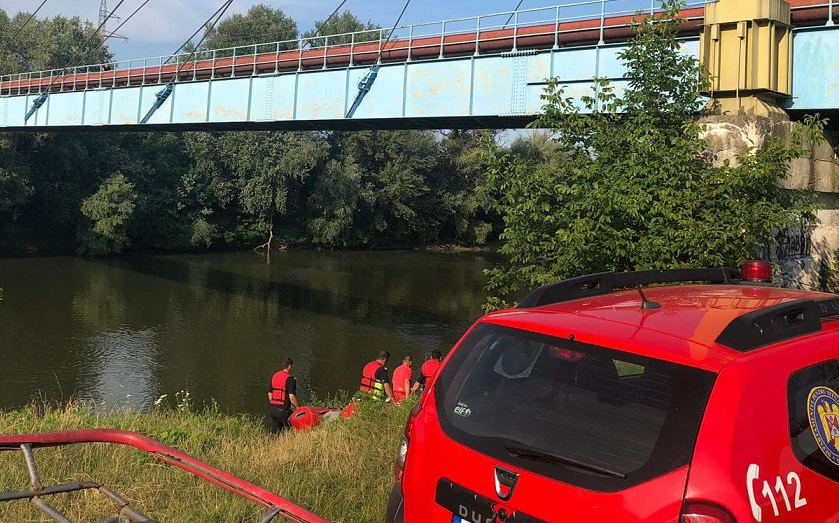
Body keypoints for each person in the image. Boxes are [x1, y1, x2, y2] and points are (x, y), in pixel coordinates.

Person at [268, 358, 299, 433]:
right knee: (295, 430)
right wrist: (298, 407)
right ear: (289, 366)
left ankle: (275, 443)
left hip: (273, 410)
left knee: (275, 434)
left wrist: (274, 404)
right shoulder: (290, 379)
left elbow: (269, 393)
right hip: (284, 410)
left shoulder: (275, 376)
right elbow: (291, 397)